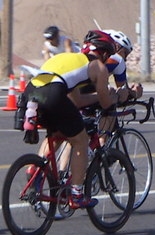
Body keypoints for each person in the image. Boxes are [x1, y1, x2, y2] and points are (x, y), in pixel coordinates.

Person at [24, 30, 128, 209]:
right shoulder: (99, 68)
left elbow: (78, 100)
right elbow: (105, 103)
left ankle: (35, 171)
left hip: (31, 93)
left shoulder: (69, 59)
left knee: (57, 133)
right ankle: (77, 195)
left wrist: (95, 97)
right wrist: (114, 97)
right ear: (104, 52)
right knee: (81, 141)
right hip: (54, 93)